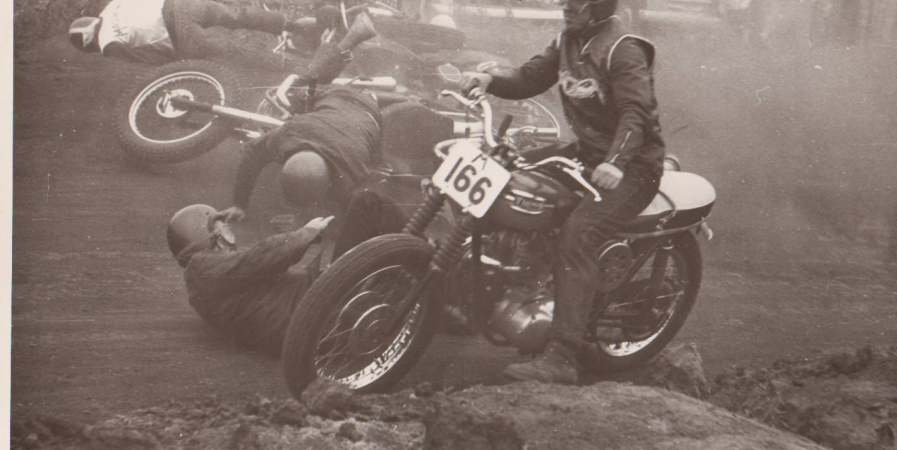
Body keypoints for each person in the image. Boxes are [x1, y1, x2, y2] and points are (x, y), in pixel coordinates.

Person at [459, 0, 665, 384]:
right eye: (565, 2)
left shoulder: (624, 50)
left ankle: (563, 356)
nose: (566, 7)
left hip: (633, 168)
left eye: (575, 3)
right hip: (588, 154)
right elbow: (530, 78)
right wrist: (490, 82)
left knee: (578, 236)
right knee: (505, 176)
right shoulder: (568, 40)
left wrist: (616, 162)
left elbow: (636, 113)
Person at [168, 191, 406, 355]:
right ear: (205, 234)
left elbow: (257, 268)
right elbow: (259, 259)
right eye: (220, 225)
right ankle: (426, 259)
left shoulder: (205, 281)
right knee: (367, 203)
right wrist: (306, 233)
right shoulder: (202, 269)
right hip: (320, 312)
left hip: (314, 316)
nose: (227, 228)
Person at [215, 13, 386, 223]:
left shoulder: (293, 132)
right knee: (302, 83)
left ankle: (349, 40)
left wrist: (239, 204)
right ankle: (348, 40)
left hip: (359, 108)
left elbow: (252, 154)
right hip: (366, 110)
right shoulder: (352, 170)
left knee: (302, 83)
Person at [67, 0, 340, 64]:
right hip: (181, 4)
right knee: (238, 17)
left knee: (223, 55)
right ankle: (302, 26)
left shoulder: (107, 44)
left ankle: (289, 65)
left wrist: (173, 63)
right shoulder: (112, 6)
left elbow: (144, 57)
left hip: (176, 28)